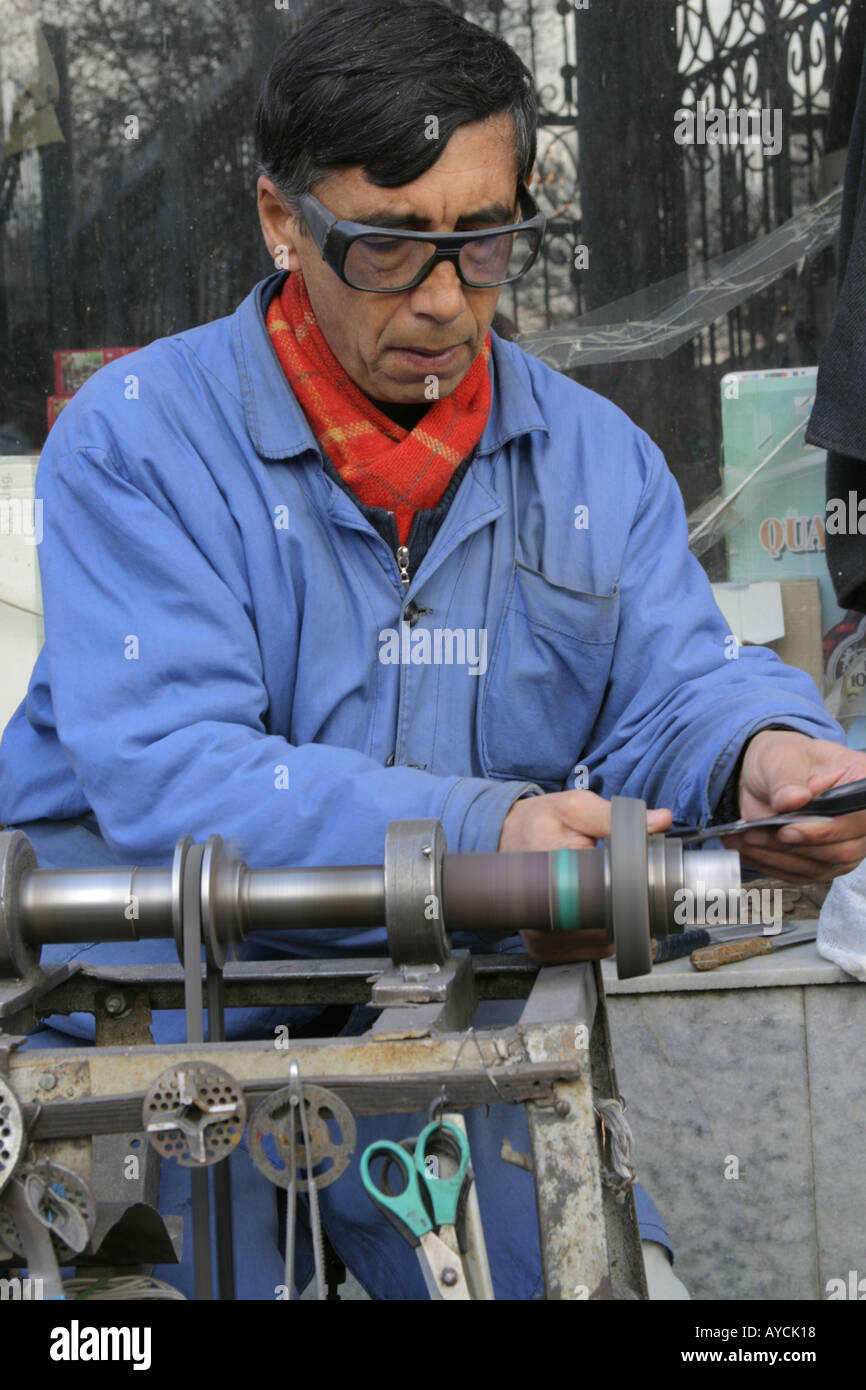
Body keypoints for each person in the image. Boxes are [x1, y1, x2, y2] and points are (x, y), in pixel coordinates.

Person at [1, 0, 865, 1299]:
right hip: (141, 1023)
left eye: (485, 240)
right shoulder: (139, 442)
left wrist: (760, 752)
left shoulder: (584, 457)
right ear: (280, 219)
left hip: (436, 1014)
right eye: (389, 247)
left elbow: (669, 686)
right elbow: (174, 770)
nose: (447, 299)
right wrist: (487, 832)